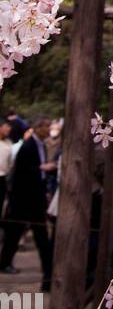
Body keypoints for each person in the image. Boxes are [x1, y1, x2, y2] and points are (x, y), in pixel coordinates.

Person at [0, 114, 55, 290]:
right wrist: (42, 168)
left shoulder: (41, 146)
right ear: (37, 128)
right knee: (15, 235)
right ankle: (5, 263)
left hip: (35, 199)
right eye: (46, 126)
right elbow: (21, 173)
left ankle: (48, 276)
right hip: (25, 200)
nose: (49, 129)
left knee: (39, 239)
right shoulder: (28, 146)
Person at [0, 119, 13, 217]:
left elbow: (10, 163)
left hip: (3, 179)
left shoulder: (9, 142)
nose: (9, 129)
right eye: (7, 126)